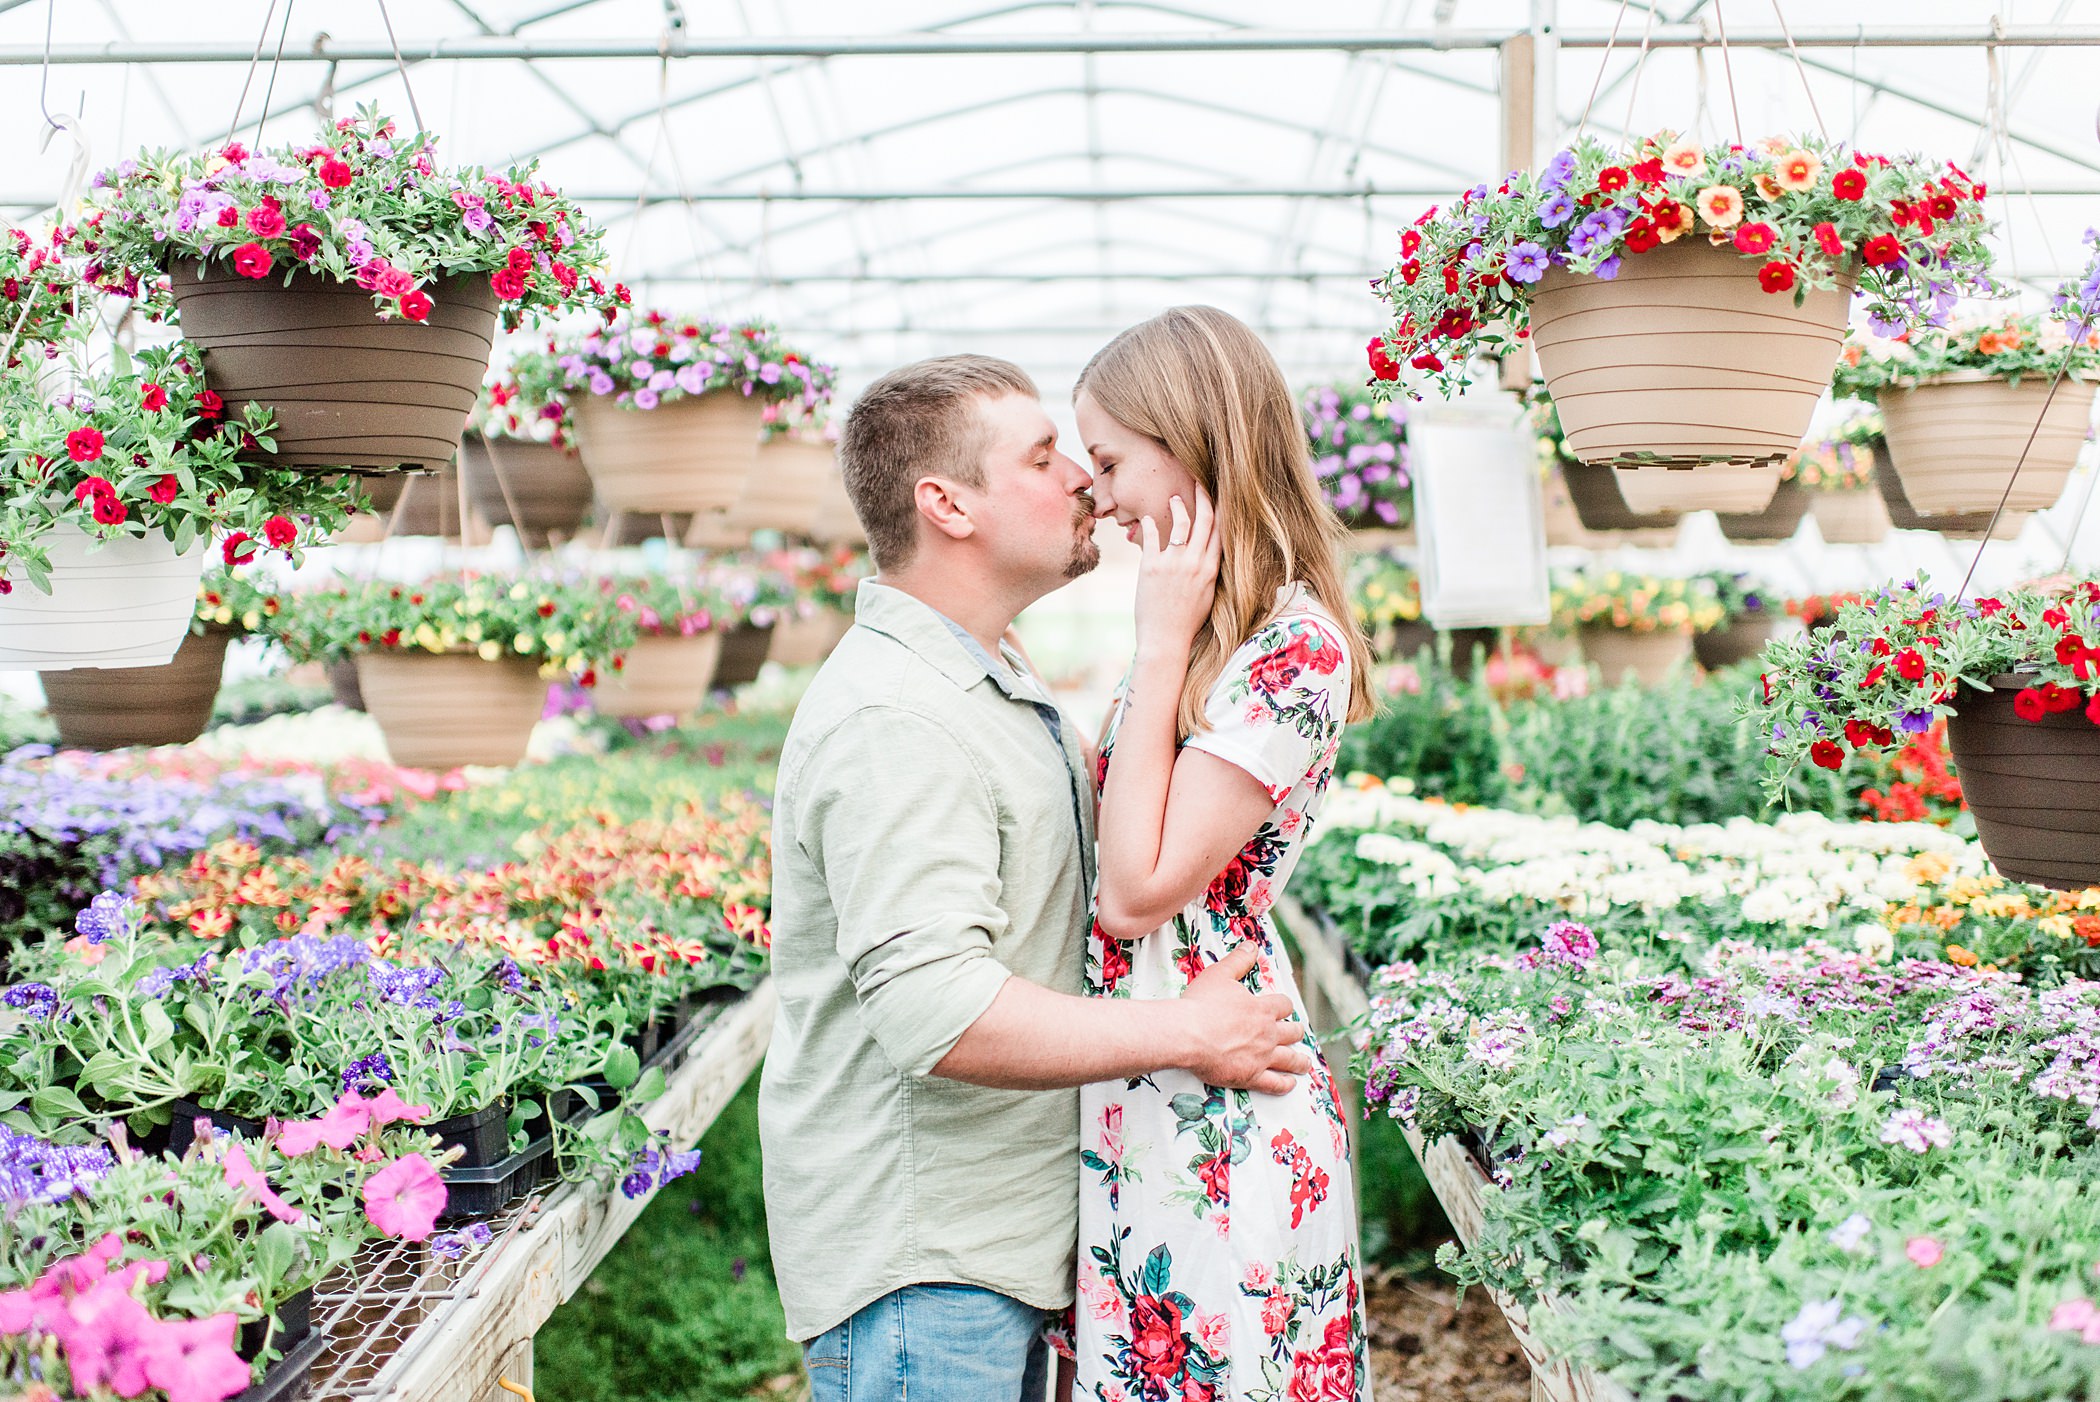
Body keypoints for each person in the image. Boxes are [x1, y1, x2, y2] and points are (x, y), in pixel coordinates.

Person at [761, 353, 1314, 1402]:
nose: (1082, 482)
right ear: (948, 505)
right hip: (929, 1268)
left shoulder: (979, 678)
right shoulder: (898, 716)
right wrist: (1193, 1033)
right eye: (1044, 455)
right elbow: (938, 1011)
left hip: (991, 1252)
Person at [1068, 307, 1379, 1401]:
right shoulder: (1218, 638)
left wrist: (1156, 646)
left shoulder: (1294, 646)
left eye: (1109, 460)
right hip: (1167, 1062)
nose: (1097, 496)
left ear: (1190, 439)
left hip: (1222, 1107)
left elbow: (1137, 892)